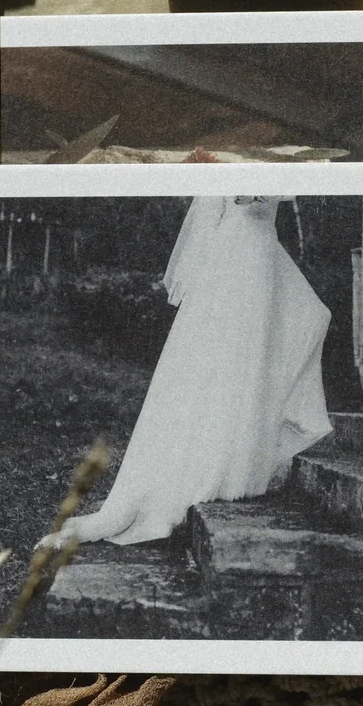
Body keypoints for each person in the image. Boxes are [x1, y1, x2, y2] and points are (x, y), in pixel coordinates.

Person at [52, 195, 333, 547]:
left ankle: (239, 460)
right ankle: (216, 467)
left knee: (303, 321)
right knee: (229, 357)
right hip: (240, 250)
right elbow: (232, 200)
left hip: (264, 248)